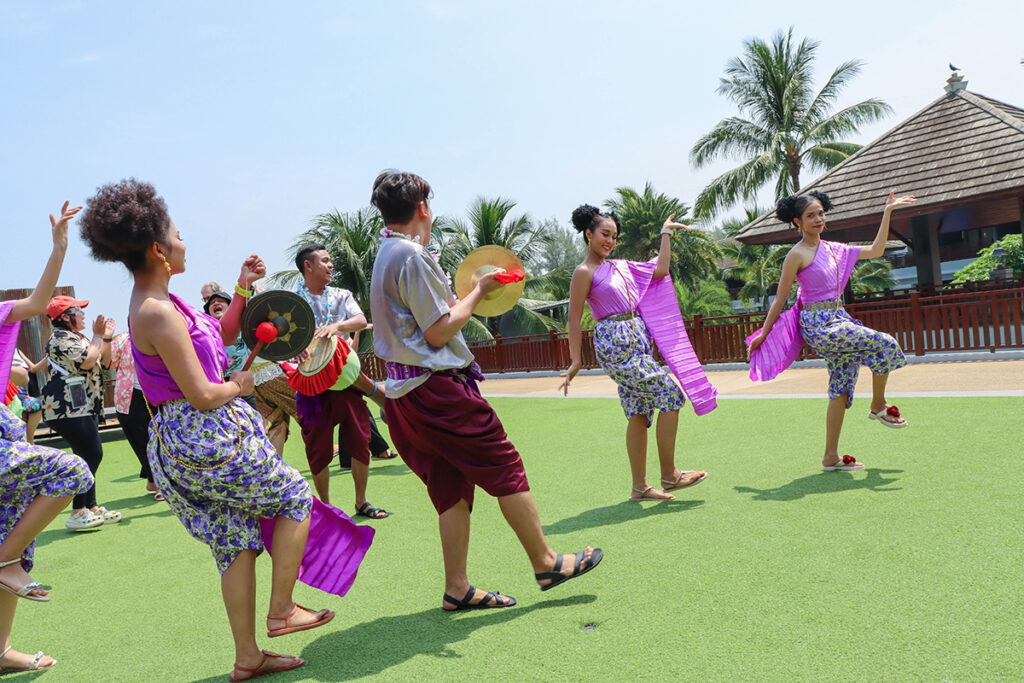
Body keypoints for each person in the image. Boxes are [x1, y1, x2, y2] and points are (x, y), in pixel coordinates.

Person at [80, 179, 346, 681]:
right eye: (178, 236)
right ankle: (283, 610)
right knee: (294, 495)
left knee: (235, 539)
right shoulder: (156, 311)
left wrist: (243, 286)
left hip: (193, 437)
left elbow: (219, 337)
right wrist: (239, 386)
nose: (185, 243)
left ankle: (248, 656)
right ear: (158, 250)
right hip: (202, 434)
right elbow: (203, 393)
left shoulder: (164, 301)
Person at [370, 170, 602, 610]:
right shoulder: (411, 255)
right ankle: (546, 562)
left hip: (405, 392)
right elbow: (439, 331)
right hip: (437, 390)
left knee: (450, 486)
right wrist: (479, 290)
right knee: (503, 464)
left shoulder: (387, 253)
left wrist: (468, 292)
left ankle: (457, 587)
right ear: (422, 207)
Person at [747, 190, 915, 471]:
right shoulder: (796, 254)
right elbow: (780, 299)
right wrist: (763, 334)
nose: (818, 219)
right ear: (798, 221)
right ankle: (878, 405)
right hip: (818, 325)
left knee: (841, 386)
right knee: (884, 343)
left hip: (840, 318)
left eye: (821, 214)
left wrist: (887, 212)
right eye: (810, 215)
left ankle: (830, 457)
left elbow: (876, 250)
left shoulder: (835, 249)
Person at [560, 205, 711, 501]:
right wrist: (576, 360)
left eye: (614, 236)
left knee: (639, 410)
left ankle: (640, 487)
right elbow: (574, 319)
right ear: (589, 234)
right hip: (616, 346)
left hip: (637, 342)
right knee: (670, 395)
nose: (610, 241)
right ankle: (670, 475)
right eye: (605, 234)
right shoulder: (584, 272)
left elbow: (660, 270)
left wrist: (665, 234)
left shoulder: (621, 266)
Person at [0, 201, 94, 673]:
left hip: (6, 426)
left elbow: (37, 303)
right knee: (72, 469)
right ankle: (4, 560)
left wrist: (58, 247)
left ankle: (0, 651)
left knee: (14, 539)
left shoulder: (1, 313)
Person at [294, 244, 388, 518]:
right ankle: (326, 507)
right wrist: (294, 348)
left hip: (345, 379)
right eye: (325, 260)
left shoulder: (341, 294)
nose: (331, 265)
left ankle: (361, 502)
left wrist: (337, 326)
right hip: (312, 383)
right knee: (318, 447)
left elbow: (360, 319)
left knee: (360, 439)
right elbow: (279, 337)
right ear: (308, 266)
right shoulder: (293, 302)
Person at [40, 295, 121, 529]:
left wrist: (105, 336)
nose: (83, 314)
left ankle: (90, 507)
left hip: (83, 405)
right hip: (66, 407)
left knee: (85, 455)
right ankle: (77, 511)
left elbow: (105, 362)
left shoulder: (79, 338)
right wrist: (97, 336)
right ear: (65, 317)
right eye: (78, 310)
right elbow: (87, 361)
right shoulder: (59, 339)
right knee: (92, 453)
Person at [109, 332, 159, 499]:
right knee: (142, 441)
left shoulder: (161, 334)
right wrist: (105, 337)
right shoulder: (124, 339)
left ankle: (154, 480)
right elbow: (108, 361)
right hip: (130, 396)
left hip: (159, 393)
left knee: (161, 439)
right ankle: (156, 481)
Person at [8, 350, 45, 445]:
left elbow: (33, 369)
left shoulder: (16, 350)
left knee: (38, 405)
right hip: (13, 394)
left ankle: (29, 439)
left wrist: (49, 357)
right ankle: (28, 441)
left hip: (24, 394)